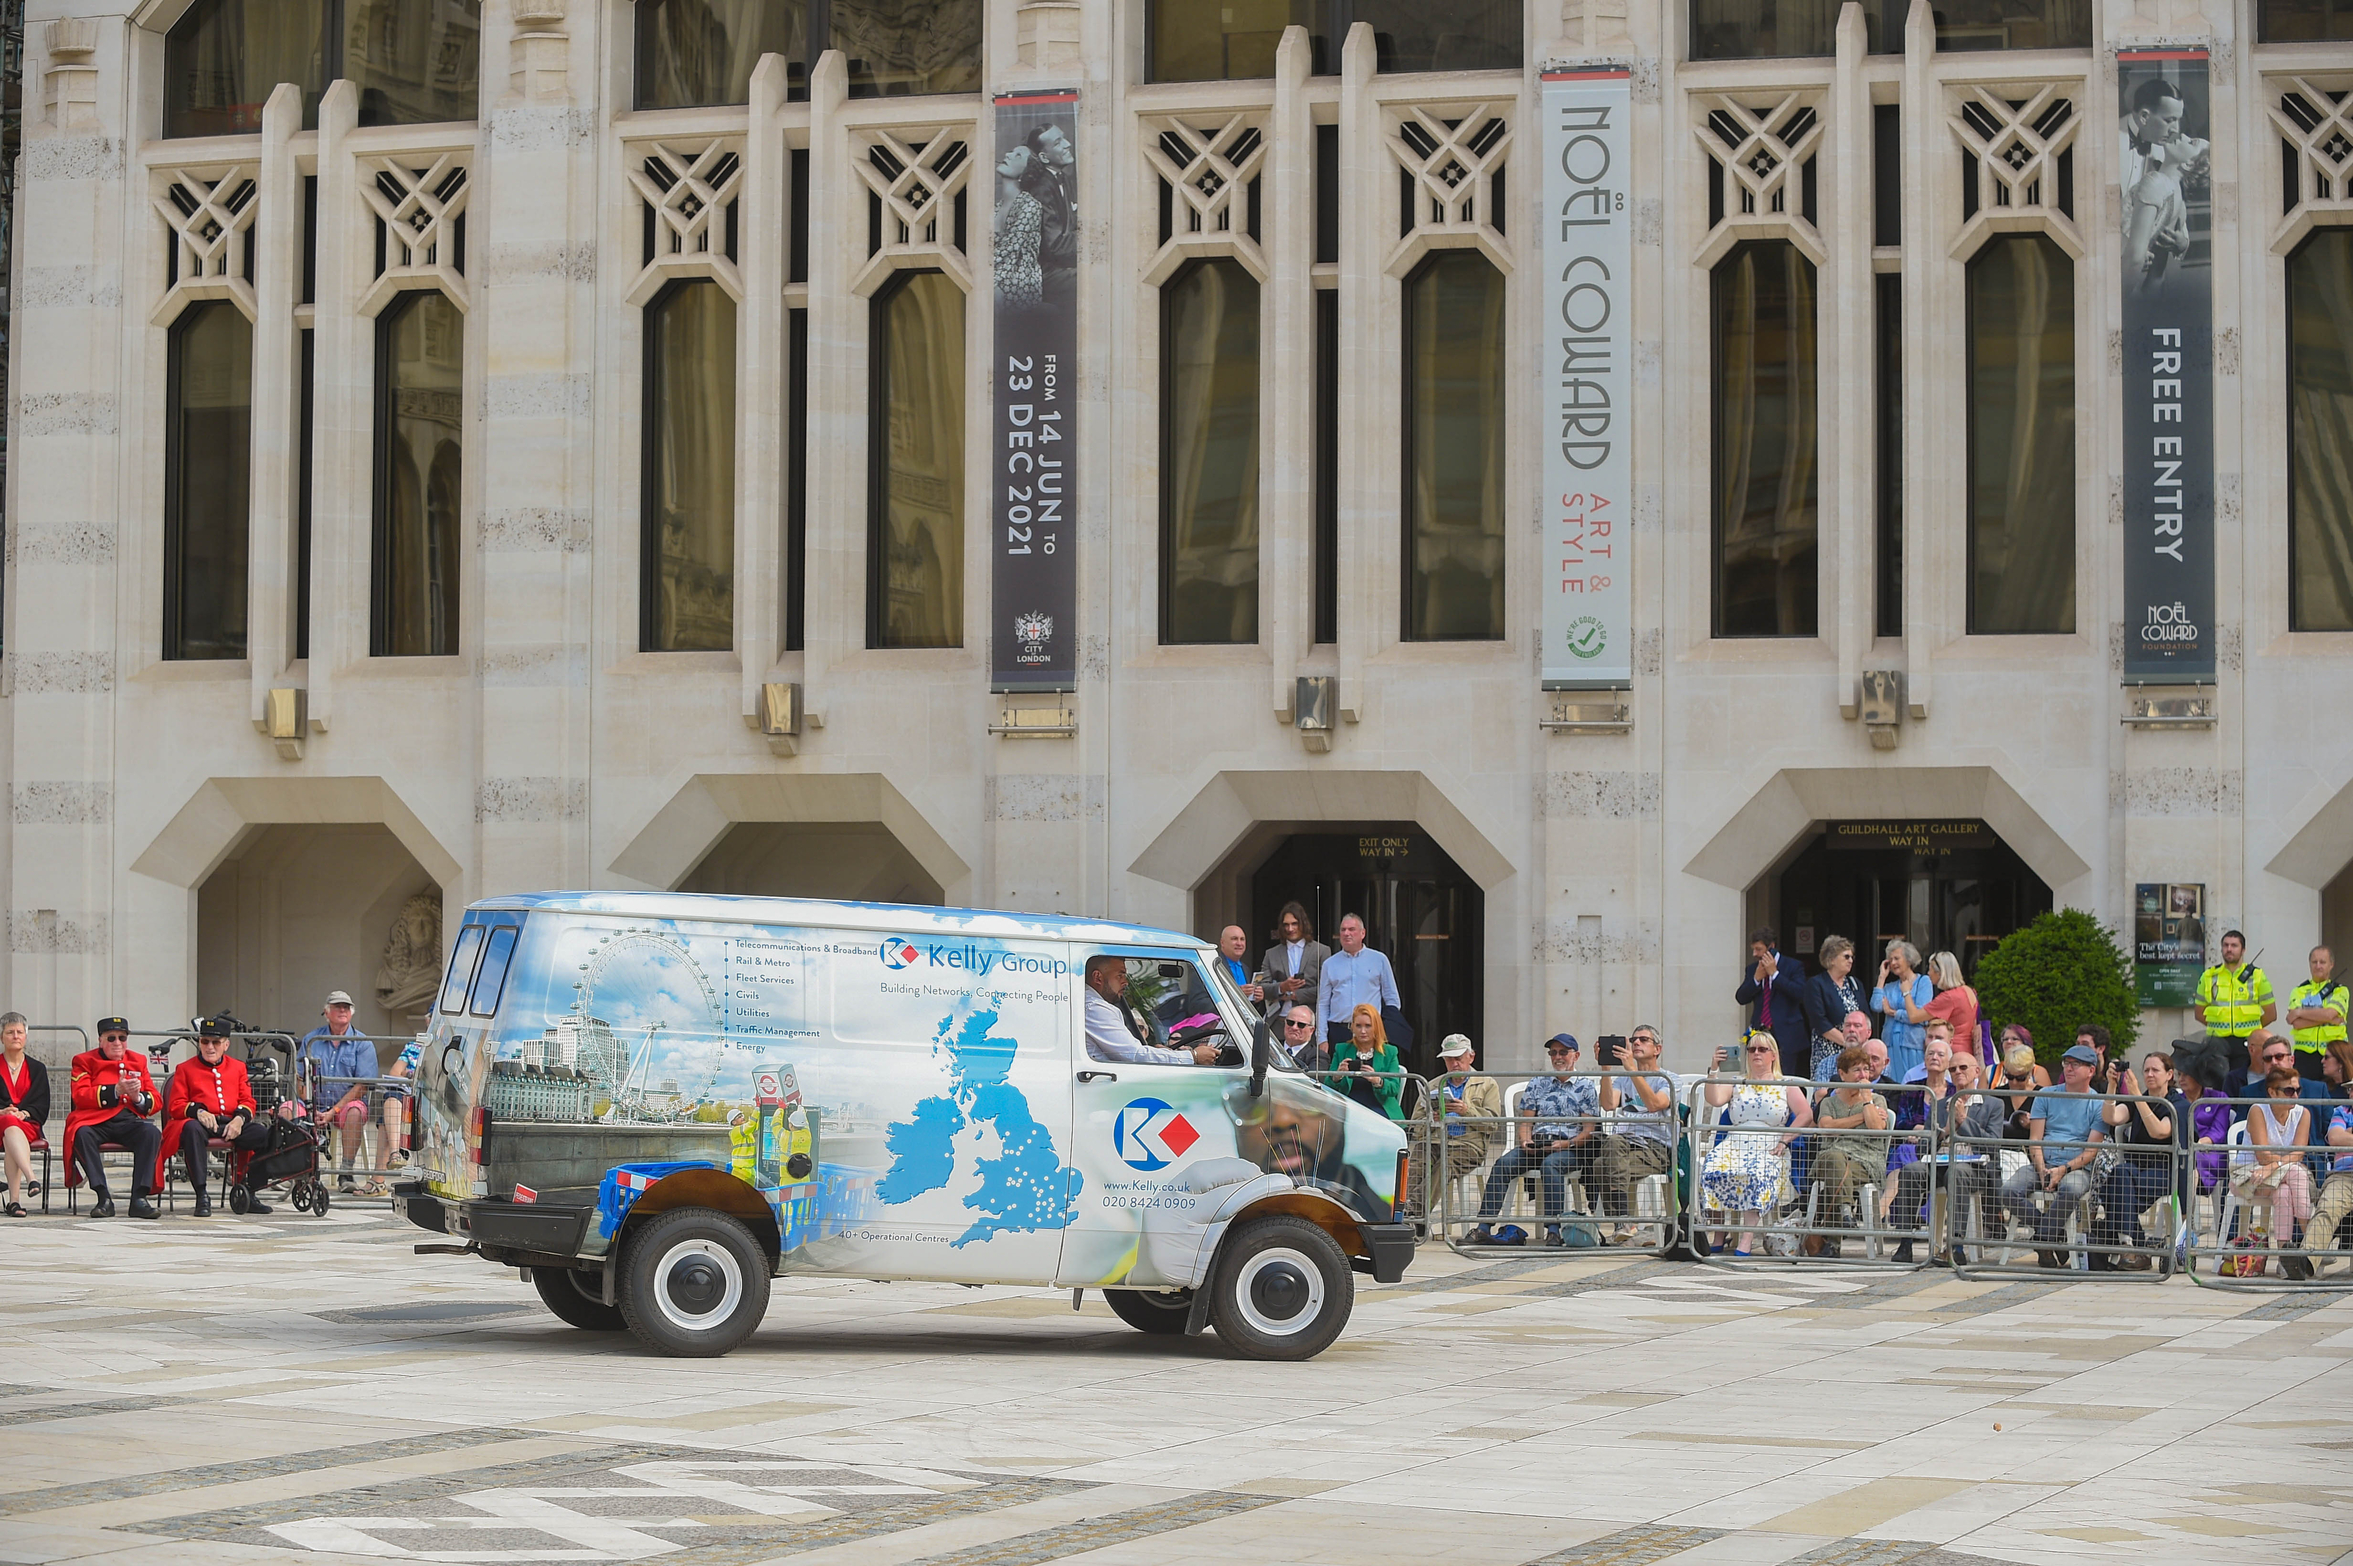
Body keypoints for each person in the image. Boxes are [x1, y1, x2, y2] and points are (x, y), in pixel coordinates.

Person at [162, 1015, 300, 1217]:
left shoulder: (237, 1067)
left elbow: (247, 1101)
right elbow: (176, 1105)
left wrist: (239, 1119)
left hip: (230, 1122)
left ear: (226, 1044)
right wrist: (198, 1112)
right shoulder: (185, 1069)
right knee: (191, 1130)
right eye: (205, 1041)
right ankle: (202, 1195)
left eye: (216, 1042)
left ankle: (249, 1191)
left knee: (263, 1134)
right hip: (199, 1124)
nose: (210, 1047)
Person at [1471, 1034, 1600, 1247]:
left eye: (1563, 1052)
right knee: (1504, 1163)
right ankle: (1483, 1227)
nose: (1557, 1057)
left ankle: (1553, 1230)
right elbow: (1526, 1123)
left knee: (1551, 1166)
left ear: (1575, 1056)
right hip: (1538, 1144)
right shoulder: (1538, 1083)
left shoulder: (1585, 1086)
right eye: (1553, 1053)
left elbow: (1588, 1131)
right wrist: (1525, 1141)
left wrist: (1565, 1144)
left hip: (1570, 1148)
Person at [1885, 1044, 2003, 1264]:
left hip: (1975, 1168)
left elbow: (1992, 1146)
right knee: (1911, 1169)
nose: (1958, 1072)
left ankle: (1955, 1246)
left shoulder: (1993, 1105)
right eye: (1953, 1069)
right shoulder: (1940, 1106)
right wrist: (1944, 1132)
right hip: (1938, 1163)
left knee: (1957, 1173)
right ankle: (1905, 1242)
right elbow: (1921, 1150)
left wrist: (1962, 1121)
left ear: (1977, 1071)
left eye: (1963, 1067)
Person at [1698, 1033, 1811, 1257]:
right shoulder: (1738, 1082)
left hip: (1770, 1142)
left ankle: (1747, 1236)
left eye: (1762, 1049)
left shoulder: (1786, 1084)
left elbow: (1805, 1114)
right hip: (1736, 1141)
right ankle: (1719, 1233)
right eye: (1751, 1050)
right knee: (1711, 1168)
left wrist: (1784, 1139)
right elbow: (1715, 1099)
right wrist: (1714, 1069)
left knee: (1756, 1171)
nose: (1756, 1053)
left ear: (1774, 1055)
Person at [1999, 1043, 2109, 1267]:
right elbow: (2035, 1139)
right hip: (2043, 1162)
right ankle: (2052, 1236)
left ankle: (2043, 1239)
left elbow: (2091, 1151)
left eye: (2075, 1064)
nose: (2068, 1068)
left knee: (2072, 1189)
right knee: (2007, 1191)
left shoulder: (2098, 1103)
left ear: (2090, 1070)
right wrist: (2042, 1169)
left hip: (2076, 1167)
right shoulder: (2046, 1094)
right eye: (2066, 1063)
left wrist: (2063, 1170)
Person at [2096, 1051, 2188, 1271]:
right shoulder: (2140, 1098)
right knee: (2120, 1176)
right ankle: (2134, 1248)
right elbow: (2111, 1117)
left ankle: (2134, 1248)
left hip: (2168, 1171)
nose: (2149, 1074)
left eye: (2155, 1070)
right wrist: (2111, 1086)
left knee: (2114, 1187)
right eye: (2146, 1070)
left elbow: (2159, 1131)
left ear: (2169, 1074)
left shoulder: (2179, 1105)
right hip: (2135, 1171)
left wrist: (2137, 1095)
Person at [64, 1016, 160, 1219]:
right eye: (111, 1038)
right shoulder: (83, 1061)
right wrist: (114, 1091)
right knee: (81, 1134)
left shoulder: (138, 1060)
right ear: (100, 1040)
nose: (117, 1043)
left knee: (151, 1132)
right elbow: (80, 1095)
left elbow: (156, 1099)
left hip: (128, 1120)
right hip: (96, 1121)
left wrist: (138, 1097)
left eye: (122, 1038)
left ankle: (139, 1198)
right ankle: (103, 1197)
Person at [1596, 1023, 1684, 1243]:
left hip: (1655, 1148)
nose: (1636, 1043)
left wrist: (1632, 1070)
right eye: (1633, 1040)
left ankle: (1624, 1223)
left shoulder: (1669, 1079)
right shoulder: (1623, 1079)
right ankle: (1628, 1223)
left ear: (1657, 1049)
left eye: (1643, 1040)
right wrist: (1605, 1070)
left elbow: (1654, 1104)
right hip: (1623, 1146)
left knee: (1604, 1161)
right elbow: (1608, 1104)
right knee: (1603, 1159)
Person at [2237, 1060, 2318, 1278]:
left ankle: (2284, 1258)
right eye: (2289, 1090)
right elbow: (2262, 1156)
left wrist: (2274, 1164)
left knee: (2284, 1190)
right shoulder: (2258, 1111)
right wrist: (2277, 1162)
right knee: (2296, 1172)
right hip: (2250, 1176)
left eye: (2297, 1090)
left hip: (2278, 1177)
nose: (2295, 1096)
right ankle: (2312, 1245)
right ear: (2272, 1092)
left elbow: (2299, 1153)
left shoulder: (2303, 1114)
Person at [1407, 1035, 1500, 1219]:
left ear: (1471, 1057)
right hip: (1434, 1140)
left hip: (1468, 1145)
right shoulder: (1433, 1084)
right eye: (1450, 1059)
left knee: (1446, 1164)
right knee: (1417, 1161)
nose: (1454, 1064)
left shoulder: (1487, 1083)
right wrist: (1431, 1119)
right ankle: (1407, 1214)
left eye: (1459, 1058)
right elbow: (1415, 1128)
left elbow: (1493, 1123)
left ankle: (1413, 1213)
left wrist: (1467, 1111)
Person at [1810, 1044, 1893, 1250]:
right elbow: (1826, 1127)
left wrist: (1867, 1102)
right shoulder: (1830, 1102)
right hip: (1831, 1158)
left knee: (1835, 1169)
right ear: (1842, 1074)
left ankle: (1833, 1242)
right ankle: (1845, 1209)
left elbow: (1876, 1128)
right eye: (1856, 1070)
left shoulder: (1877, 1100)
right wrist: (1861, 1116)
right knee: (1835, 1159)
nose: (1863, 1075)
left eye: (1866, 1069)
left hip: (1865, 1161)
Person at [303, 991, 381, 1192]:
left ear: (352, 1013)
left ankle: (346, 1172)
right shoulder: (311, 1039)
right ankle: (299, 1172)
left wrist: (333, 1112)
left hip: (344, 1108)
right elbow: (299, 1078)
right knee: (287, 1109)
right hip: (313, 1105)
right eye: (337, 1006)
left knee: (355, 1111)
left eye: (346, 1007)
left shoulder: (363, 1043)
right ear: (326, 1012)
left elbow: (362, 1086)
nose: (342, 1010)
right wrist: (310, 1107)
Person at [1082, 957, 1216, 1066]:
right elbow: (1134, 1055)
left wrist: (1162, 1053)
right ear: (1098, 977)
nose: (1126, 982)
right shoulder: (1095, 1008)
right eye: (1120, 975)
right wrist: (1193, 1056)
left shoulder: (1092, 1004)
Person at [1735, 927, 1816, 1080]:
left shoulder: (1793, 966)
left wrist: (1775, 975)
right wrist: (1756, 979)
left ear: (1771, 947)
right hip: (1761, 1033)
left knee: (1786, 1079)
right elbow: (1741, 997)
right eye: (1754, 950)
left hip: (1787, 1036)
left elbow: (1800, 994)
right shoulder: (1753, 969)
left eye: (1758, 949)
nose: (1755, 954)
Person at [1317, 914, 1399, 1049]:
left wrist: (1385, 1030)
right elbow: (1323, 1004)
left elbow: (1392, 999)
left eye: (1351, 929)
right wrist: (1322, 1039)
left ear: (1363, 933)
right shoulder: (1329, 964)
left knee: (1370, 1069)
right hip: (1339, 1031)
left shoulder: (1379, 960)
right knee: (1340, 1069)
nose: (1346, 933)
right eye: (1343, 930)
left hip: (1371, 1031)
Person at [2196, 930, 2276, 1069]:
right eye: (2225, 945)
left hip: (2246, 1042)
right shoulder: (2209, 976)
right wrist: (2219, 1025)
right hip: (2217, 1042)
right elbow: (2199, 1014)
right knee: (2219, 1086)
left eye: (2234, 945)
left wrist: (2253, 1031)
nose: (2229, 949)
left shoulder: (2257, 976)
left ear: (2243, 950)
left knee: (2242, 1085)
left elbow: (2271, 1014)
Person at [0, 1012, 51, 1218]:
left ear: (26, 1037)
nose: (15, 1036)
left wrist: (25, 1112)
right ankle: (30, 1177)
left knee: (11, 1127)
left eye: (19, 1032)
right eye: (10, 1032)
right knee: (8, 1121)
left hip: (27, 1125)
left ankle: (14, 1202)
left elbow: (42, 1102)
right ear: (1, 1037)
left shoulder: (38, 1068)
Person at [1868, 942, 1932, 1082]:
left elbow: (1921, 1016)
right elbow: (1876, 1005)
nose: (1893, 963)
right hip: (1890, 1044)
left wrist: (1893, 1013)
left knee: (1914, 1084)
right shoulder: (1890, 986)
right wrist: (1882, 978)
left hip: (1913, 1044)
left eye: (1897, 958)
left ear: (1909, 959)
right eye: (1890, 960)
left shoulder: (1923, 982)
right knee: (1893, 1086)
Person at [1331, 1004, 1404, 1120]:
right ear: (1352, 1027)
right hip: (1348, 1106)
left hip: (1378, 1106)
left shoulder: (1390, 1052)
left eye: (1368, 1026)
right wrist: (1337, 1076)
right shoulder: (1341, 1049)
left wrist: (1378, 1081)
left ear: (1376, 1027)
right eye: (1358, 1026)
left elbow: (1394, 1088)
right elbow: (1327, 1085)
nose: (1363, 1031)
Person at [1807, 936, 1865, 1082]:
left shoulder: (1854, 984)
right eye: (1846, 957)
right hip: (1828, 1049)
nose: (1851, 960)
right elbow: (1819, 1021)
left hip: (1855, 1049)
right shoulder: (1816, 984)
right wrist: (1848, 1043)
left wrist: (1857, 1046)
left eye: (1852, 957)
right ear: (1832, 959)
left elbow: (1865, 1016)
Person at [2286, 947, 2348, 1083]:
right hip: (2305, 1055)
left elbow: (2330, 1013)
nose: (2318, 966)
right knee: (2306, 1097)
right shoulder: (2299, 991)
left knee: (2336, 1096)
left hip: (2334, 1053)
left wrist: (2300, 1012)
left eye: (2322, 962)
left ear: (2331, 964)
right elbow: (2296, 1022)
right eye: (2314, 962)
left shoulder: (2340, 990)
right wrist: (2328, 1019)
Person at [1256, 903, 1327, 1016]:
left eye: (1294, 924)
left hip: (1309, 1020)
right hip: (1278, 1020)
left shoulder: (1321, 951)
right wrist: (1282, 987)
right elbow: (1261, 987)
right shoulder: (1271, 954)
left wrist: (1296, 995)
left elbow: (1326, 988)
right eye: (1286, 925)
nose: (1290, 929)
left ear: (1303, 923)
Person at [2307, 1090, 2353, 1258]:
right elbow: (2334, 1138)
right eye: (2351, 1090)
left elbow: (2342, 1138)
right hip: (2343, 1177)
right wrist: (2342, 1135)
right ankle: (2305, 1261)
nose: (2351, 1094)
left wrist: (2348, 1133)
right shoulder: (2341, 1111)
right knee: (2327, 1208)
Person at [1921, 953, 1981, 1068]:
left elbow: (1913, 1016)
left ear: (1941, 972)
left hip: (1950, 1050)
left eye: (1931, 969)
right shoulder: (1968, 991)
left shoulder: (1948, 997)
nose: (1928, 973)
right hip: (1968, 1049)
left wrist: (1906, 992)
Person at [1279, 1003, 1326, 1073]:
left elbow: (1309, 1081)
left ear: (1311, 1030)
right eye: (1290, 1022)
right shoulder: (1271, 1047)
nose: (1294, 1028)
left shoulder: (1318, 1056)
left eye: (1301, 1025)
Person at [1212, 926, 1252, 990]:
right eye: (1234, 939)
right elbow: (1200, 998)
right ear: (1222, 943)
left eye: (1242, 939)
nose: (1239, 943)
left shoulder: (1246, 969)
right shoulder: (1212, 967)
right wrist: (1237, 994)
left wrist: (1255, 996)